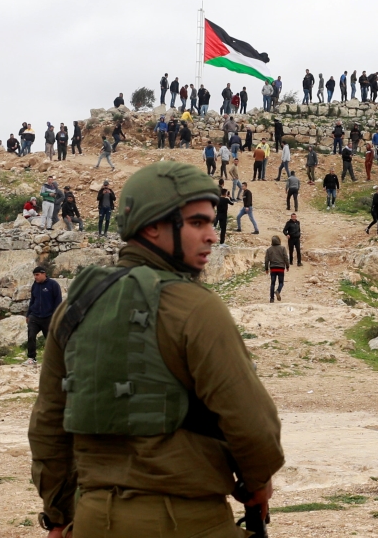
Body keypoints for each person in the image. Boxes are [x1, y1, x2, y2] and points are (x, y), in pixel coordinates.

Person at [29, 162, 283, 537]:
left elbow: (48, 422)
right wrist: (257, 484)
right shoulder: (195, 307)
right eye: (198, 223)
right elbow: (254, 426)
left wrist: (59, 514)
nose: (212, 236)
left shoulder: (77, 306)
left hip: (92, 519)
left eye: (211, 223)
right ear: (152, 227)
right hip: (186, 521)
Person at [25, 265, 62, 365]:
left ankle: (55, 359)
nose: (35, 277)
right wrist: (28, 314)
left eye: (37, 275)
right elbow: (32, 300)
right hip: (35, 316)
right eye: (34, 275)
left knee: (50, 339)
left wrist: (55, 316)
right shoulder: (35, 285)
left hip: (48, 317)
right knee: (31, 335)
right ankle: (31, 358)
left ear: (44, 274)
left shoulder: (53, 285)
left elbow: (58, 301)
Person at [265, 235, 289, 302]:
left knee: (272, 283)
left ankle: (272, 298)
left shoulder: (269, 250)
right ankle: (278, 291)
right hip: (281, 268)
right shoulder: (283, 248)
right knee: (281, 282)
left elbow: (266, 260)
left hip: (273, 269)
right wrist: (287, 266)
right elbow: (286, 258)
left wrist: (266, 268)